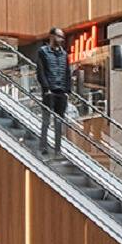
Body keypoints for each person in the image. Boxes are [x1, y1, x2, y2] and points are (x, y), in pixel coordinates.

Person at [34, 27, 72, 156]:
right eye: (59, 36)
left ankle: (58, 149)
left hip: (61, 92)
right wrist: (46, 89)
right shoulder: (43, 52)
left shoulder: (64, 54)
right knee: (46, 120)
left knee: (59, 122)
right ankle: (43, 146)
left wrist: (67, 91)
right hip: (49, 91)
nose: (61, 40)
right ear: (51, 36)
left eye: (62, 37)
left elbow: (67, 73)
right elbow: (40, 71)